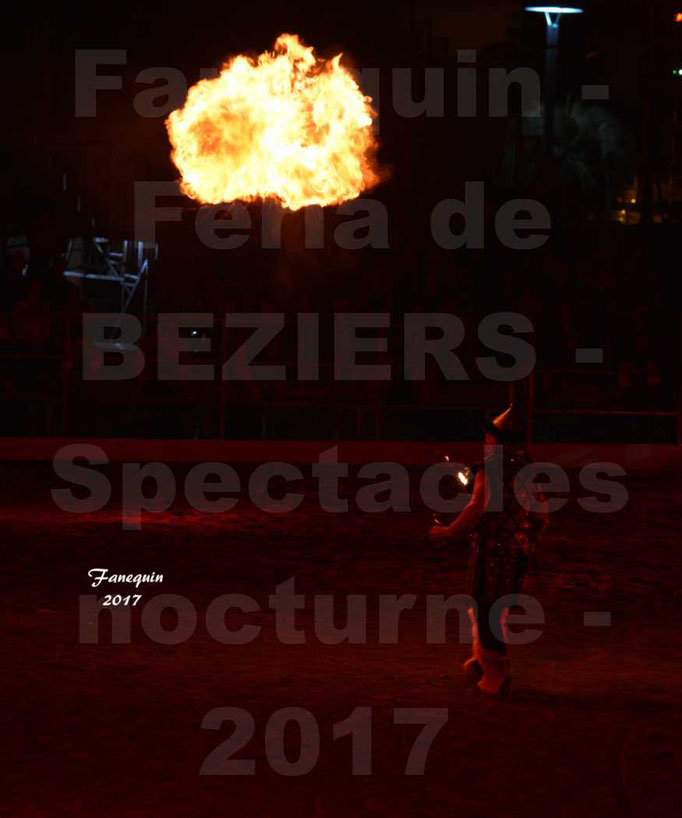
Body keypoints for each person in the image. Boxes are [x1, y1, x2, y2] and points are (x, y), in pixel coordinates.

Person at [429, 403, 547, 695]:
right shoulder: (528, 469)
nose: (486, 440)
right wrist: (528, 543)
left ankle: (496, 674)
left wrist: (448, 531)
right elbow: (542, 515)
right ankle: (483, 661)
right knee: (495, 607)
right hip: (517, 551)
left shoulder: (492, 468)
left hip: (492, 549)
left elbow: (477, 506)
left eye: (490, 436)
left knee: (486, 608)